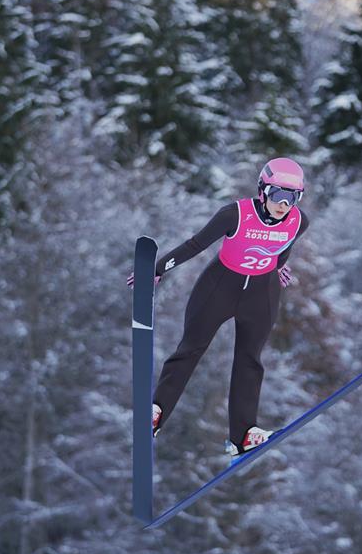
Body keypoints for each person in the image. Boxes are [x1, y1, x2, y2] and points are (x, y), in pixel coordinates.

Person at [127, 158, 310, 455]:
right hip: (219, 287)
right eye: (278, 194)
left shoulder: (299, 221)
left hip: (262, 294)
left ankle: (243, 435)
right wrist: (157, 269)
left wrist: (277, 266)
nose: (284, 204)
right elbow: (195, 244)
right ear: (263, 191)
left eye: (293, 197)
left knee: (250, 360)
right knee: (190, 349)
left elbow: (283, 246)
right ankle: (156, 412)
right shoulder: (234, 215)